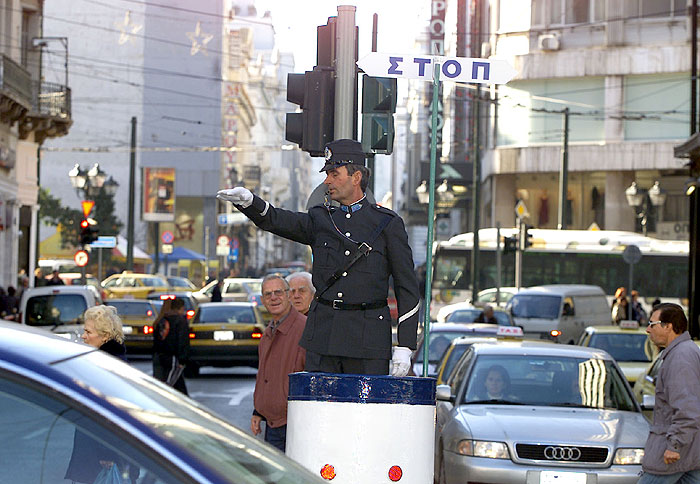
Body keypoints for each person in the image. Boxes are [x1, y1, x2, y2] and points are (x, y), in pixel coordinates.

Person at [217, 139, 420, 377]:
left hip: (368, 340)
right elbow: (277, 220)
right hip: (324, 337)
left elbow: (407, 287)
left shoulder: (387, 224)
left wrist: (405, 345)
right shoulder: (320, 219)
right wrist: (250, 203)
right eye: (327, 174)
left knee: (363, 413)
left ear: (356, 177)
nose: (327, 181)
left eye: (334, 174)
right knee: (317, 410)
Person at [65, 305, 131, 483]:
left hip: (102, 459)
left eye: (88, 332)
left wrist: (108, 453)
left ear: (106, 336)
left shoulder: (107, 367)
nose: (83, 336)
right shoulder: (101, 361)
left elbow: (111, 414)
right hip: (97, 454)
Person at [638, 303, 700, 483]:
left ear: (669, 326)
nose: (648, 330)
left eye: (652, 324)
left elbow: (688, 409)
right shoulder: (683, 352)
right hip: (689, 452)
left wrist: (675, 445)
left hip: (673, 454)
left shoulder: (680, 357)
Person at [251, 275, 306, 452]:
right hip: (273, 424)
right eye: (268, 294)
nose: (273, 298)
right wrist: (258, 411)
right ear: (262, 300)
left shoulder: (305, 329)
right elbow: (265, 376)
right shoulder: (268, 333)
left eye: (278, 292)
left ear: (288, 295)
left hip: (295, 424)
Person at [152, 298, 189, 395]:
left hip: (159, 356)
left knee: (162, 382)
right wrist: (182, 359)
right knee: (170, 384)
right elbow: (182, 340)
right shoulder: (179, 321)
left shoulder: (160, 321)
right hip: (172, 357)